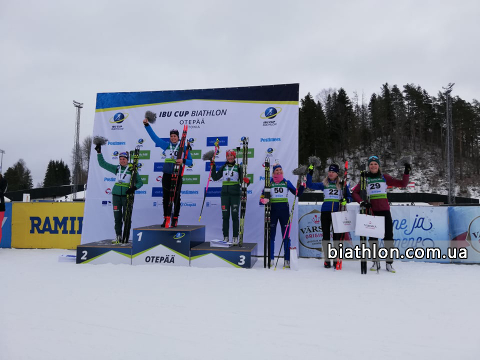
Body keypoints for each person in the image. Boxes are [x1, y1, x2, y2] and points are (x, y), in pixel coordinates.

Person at [351, 155, 410, 273]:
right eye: (371, 164)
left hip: (384, 211)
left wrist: (406, 171)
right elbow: (354, 192)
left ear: (378, 166)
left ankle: (389, 263)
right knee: (373, 238)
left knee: (388, 237)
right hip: (372, 211)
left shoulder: (384, 177)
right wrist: (362, 202)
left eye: (375, 164)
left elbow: (403, 184)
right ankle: (375, 261)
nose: (373, 166)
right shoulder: (365, 179)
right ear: (369, 166)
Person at [143, 119, 192, 227]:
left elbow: (190, 162)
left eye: (175, 136)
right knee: (166, 197)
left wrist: (183, 161)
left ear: (178, 137)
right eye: (171, 136)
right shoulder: (166, 145)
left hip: (178, 174)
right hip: (167, 174)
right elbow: (154, 138)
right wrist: (147, 125)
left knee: (176, 197)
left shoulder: (183, 147)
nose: (173, 138)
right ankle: (166, 218)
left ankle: (175, 218)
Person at [306, 163, 352, 269]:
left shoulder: (342, 184)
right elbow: (310, 185)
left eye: (333, 172)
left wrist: (346, 200)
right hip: (325, 212)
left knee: (336, 237)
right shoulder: (324, 184)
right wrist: (310, 173)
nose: (330, 174)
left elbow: (350, 197)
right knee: (326, 236)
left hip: (337, 212)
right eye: (329, 172)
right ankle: (327, 259)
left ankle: (336, 258)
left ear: (337, 173)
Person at [95, 145, 143, 243]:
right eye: (120, 159)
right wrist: (99, 153)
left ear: (127, 159)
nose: (122, 161)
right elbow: (103, 164)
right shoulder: (116, 168)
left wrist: (133, 188)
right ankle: (118, 236)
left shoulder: (132, 169)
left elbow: (140, 182)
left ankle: (126, 236)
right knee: (117, 218)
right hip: (116, 196)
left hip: (127, 196)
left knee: (127, 218)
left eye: (124, 159)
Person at [260, 163, 304, 268]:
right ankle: (271, 259)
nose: (279, 172)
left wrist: (302, 185)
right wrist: (263, 200)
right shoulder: (269, 182)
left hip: (284, 211)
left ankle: (287, 260)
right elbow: (261, 199)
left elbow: (297, 193)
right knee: (272, 236)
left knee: (286, 237)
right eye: (277, 170)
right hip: (273, 211)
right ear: (273, 172)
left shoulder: (286, 182)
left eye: (280, 170)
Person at [210, 149, 250, 245]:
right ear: (226, 157)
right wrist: (213, 167)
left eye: (231, 155)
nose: (230, 157)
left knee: (235, 216)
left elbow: (244, 183)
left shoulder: (239, 167)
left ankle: (235, 237)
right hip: (225, 195)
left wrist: (247, 181)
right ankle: (225, 237)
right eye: (228, 156)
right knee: (225, 217)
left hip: (235, 194)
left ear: (234, 156)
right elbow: (215, 177)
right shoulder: (224, 167)